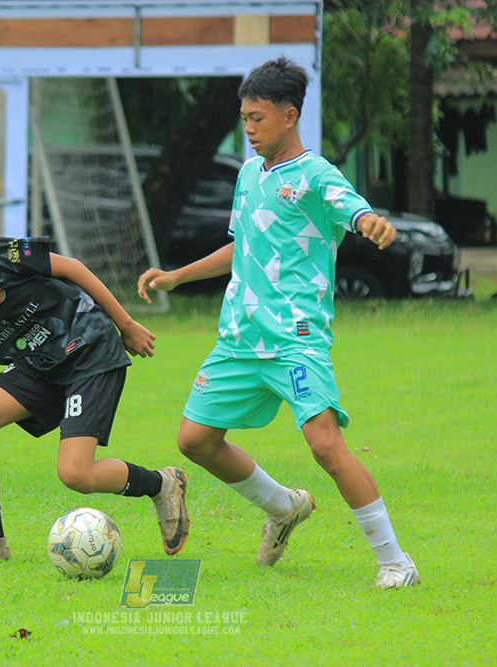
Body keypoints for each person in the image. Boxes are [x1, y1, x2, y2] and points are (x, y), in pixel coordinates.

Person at [137, 57, 419, 588]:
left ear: (289, 116)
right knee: (194, 439)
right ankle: (284, 506)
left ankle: (396, 562)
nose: (248, 129)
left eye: (258, 118)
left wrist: (370, 223)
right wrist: (177, 276)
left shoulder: (316, 176)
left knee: (325, 446)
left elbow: (353, 209)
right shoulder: (248, 174)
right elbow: (242, 244)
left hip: (295, 339)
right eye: (244, 118)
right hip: (239, 338)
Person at [0, 196, 189, 562]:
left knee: (76, 474)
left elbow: (71, 268)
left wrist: (125, 324)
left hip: (87, 344)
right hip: (38, 362)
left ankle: (162, 483)